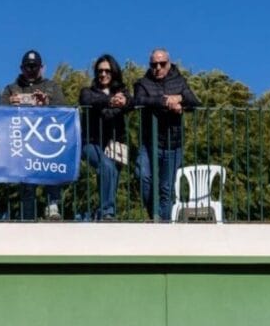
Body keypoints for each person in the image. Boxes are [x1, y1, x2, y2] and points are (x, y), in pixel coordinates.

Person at [131, 48, 199, 222]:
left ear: (169, 63)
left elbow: (194, 102)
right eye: (154, 64)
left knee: (166, 188)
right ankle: (155, 215)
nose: (158, 68)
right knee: (143, 176)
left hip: (173, 143)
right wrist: (165, 101)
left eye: (162, 64)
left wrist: (180, 99)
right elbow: (138, 100)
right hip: (149, 142)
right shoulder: (143, 83)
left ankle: (164, 222)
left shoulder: (179, 81)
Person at [0, 50, 67, 221]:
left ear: (42, 67)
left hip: (47, 140)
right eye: (28, 66)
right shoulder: (11, 88)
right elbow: (0, 111)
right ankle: (27, 216)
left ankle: (53, 206)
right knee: (27, 181)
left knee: (51, 171)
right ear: (21, 68)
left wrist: (47, 102)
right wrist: (11, 104)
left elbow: (63, 109)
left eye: (34, 66)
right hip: (22, 142)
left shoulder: (52, 86)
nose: (31, 69)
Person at [78, 54, 129, 221]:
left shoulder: (122, 92)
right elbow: (86, 99)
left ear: (114, 72)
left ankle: (100, 212)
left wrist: (119, 103)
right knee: (105, 164)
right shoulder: (88, 91)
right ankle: (108, 211)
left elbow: (131, 102)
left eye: (107, 70)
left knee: (112, 174)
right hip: (91, 143)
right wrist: (111, 102)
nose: (103, 74)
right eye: (100, 71)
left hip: (115, 143)